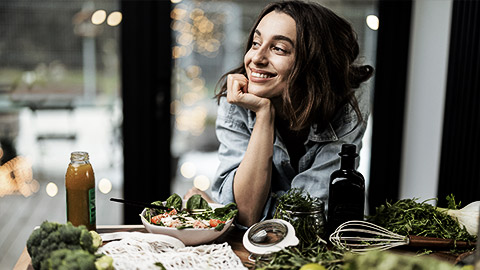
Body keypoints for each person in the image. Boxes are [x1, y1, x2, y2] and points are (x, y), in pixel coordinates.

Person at [185, 0, 373, 228]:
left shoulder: (346, 110)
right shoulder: (237, 100)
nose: (256, 58)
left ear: (314, 63)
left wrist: (223, 210)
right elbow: (245, 213)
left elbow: (309, 219)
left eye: (279, 49)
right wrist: (264, 114)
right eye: (256, 43)